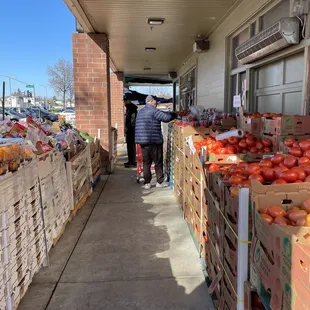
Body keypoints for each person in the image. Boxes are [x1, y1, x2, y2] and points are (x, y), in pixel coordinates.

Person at [135, 95, 177, 189]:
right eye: (155, 101)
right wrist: (174, 115)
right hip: (154, 141)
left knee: (146, 163)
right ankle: (159, 182)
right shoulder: (153, 111)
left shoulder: (141, 111)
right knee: (158, 162)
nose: (156, 103)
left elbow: (161, 113)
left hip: (143, 142)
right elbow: (165, 118)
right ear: (150, 101)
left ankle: (147, 183)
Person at [124, 94, 138, 168]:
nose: (124, 102)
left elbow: (133, 122)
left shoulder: (132, 109)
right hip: (129, 131)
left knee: (131, 146)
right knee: (129, 147)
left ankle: (132, 162)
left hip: (132, 131)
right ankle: (130, 161)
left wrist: (127, 128)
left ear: (129, 100)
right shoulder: (129, 108)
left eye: (125, 101)